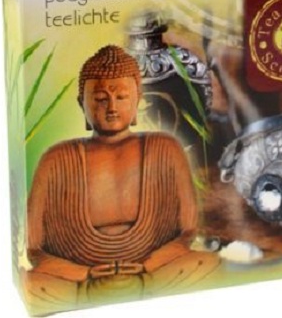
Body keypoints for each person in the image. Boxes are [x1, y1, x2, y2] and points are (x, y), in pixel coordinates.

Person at [23, 45, 219, 313]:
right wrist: (85, 273)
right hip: (78, 278)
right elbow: (34, 248)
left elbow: (187, 231)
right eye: (100, 99)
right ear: (82, 104)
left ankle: (126, 289)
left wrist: (148, 265)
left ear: (137, 101)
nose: (112, 107)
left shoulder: (166, 148)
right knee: (31, 285)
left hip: (155, 270)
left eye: (122, 97)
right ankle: (96, 293)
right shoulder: (56, 158)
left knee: (206, 263)